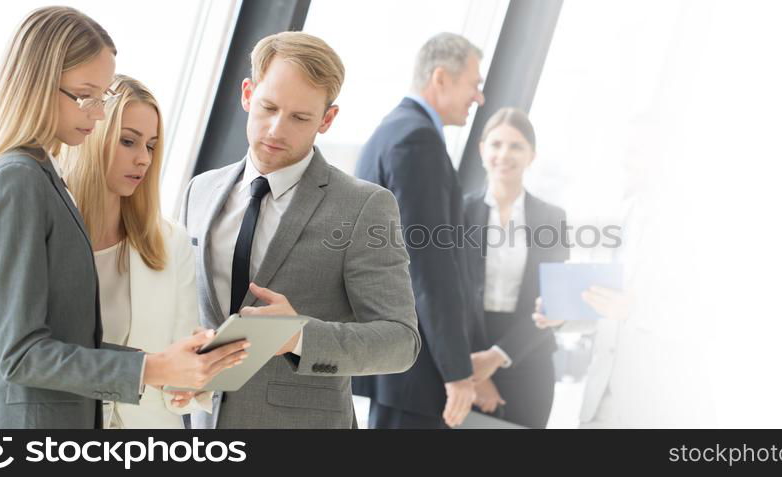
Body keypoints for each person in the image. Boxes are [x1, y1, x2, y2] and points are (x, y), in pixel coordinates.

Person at [0, 6, 247, 429]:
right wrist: (151, 369)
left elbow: (63, 341)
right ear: (38, 85)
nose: (97, 113)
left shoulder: (42, 178)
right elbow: (22, 354)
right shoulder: (17, 180)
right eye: (85, 96)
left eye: (101, 98)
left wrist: (163, 365)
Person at [181, 31, 420, 429]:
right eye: (268, 107)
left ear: (327, 119)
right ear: (246, 94)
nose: (276, 129)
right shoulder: (200, 190)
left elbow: (400, 342)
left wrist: (298, 337)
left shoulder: (364, 207)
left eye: (300, 117)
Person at [61, 74, 214, 428]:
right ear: (91, 135)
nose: (143, 159)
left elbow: (180, 357)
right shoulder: (47, 232)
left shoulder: (170, 242)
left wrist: (188, 385)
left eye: (151, 146)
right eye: (128, 141)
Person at [354, 32, 486, 429]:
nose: (479, 98)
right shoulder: (417, 140)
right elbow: (427, 265)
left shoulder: (392, 130)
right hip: (417, 370)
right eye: (474, 85)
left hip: (397, 366)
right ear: (441, 78)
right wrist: (456, 371)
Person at [463, 108, 569, 429]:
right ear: (482, 149)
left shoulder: (552, 218)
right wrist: (474, 372)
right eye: (496, 144)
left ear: (531, 156)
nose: (504, 154)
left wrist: (497, 357)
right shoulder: (458, 212)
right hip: (468, 359)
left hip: (529, 356)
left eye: (516, 146)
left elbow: (554, 303)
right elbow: (448, 299)